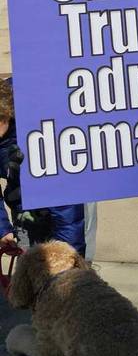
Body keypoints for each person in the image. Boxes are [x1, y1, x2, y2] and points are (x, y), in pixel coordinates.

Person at [0, 77, 86, 257]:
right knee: (28, 264)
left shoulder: (40, 128)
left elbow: (67, 208)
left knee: (70, 268)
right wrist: (3, 229)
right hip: (24, 206)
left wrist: (70, 258)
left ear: (6, 114)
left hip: (66, 192)